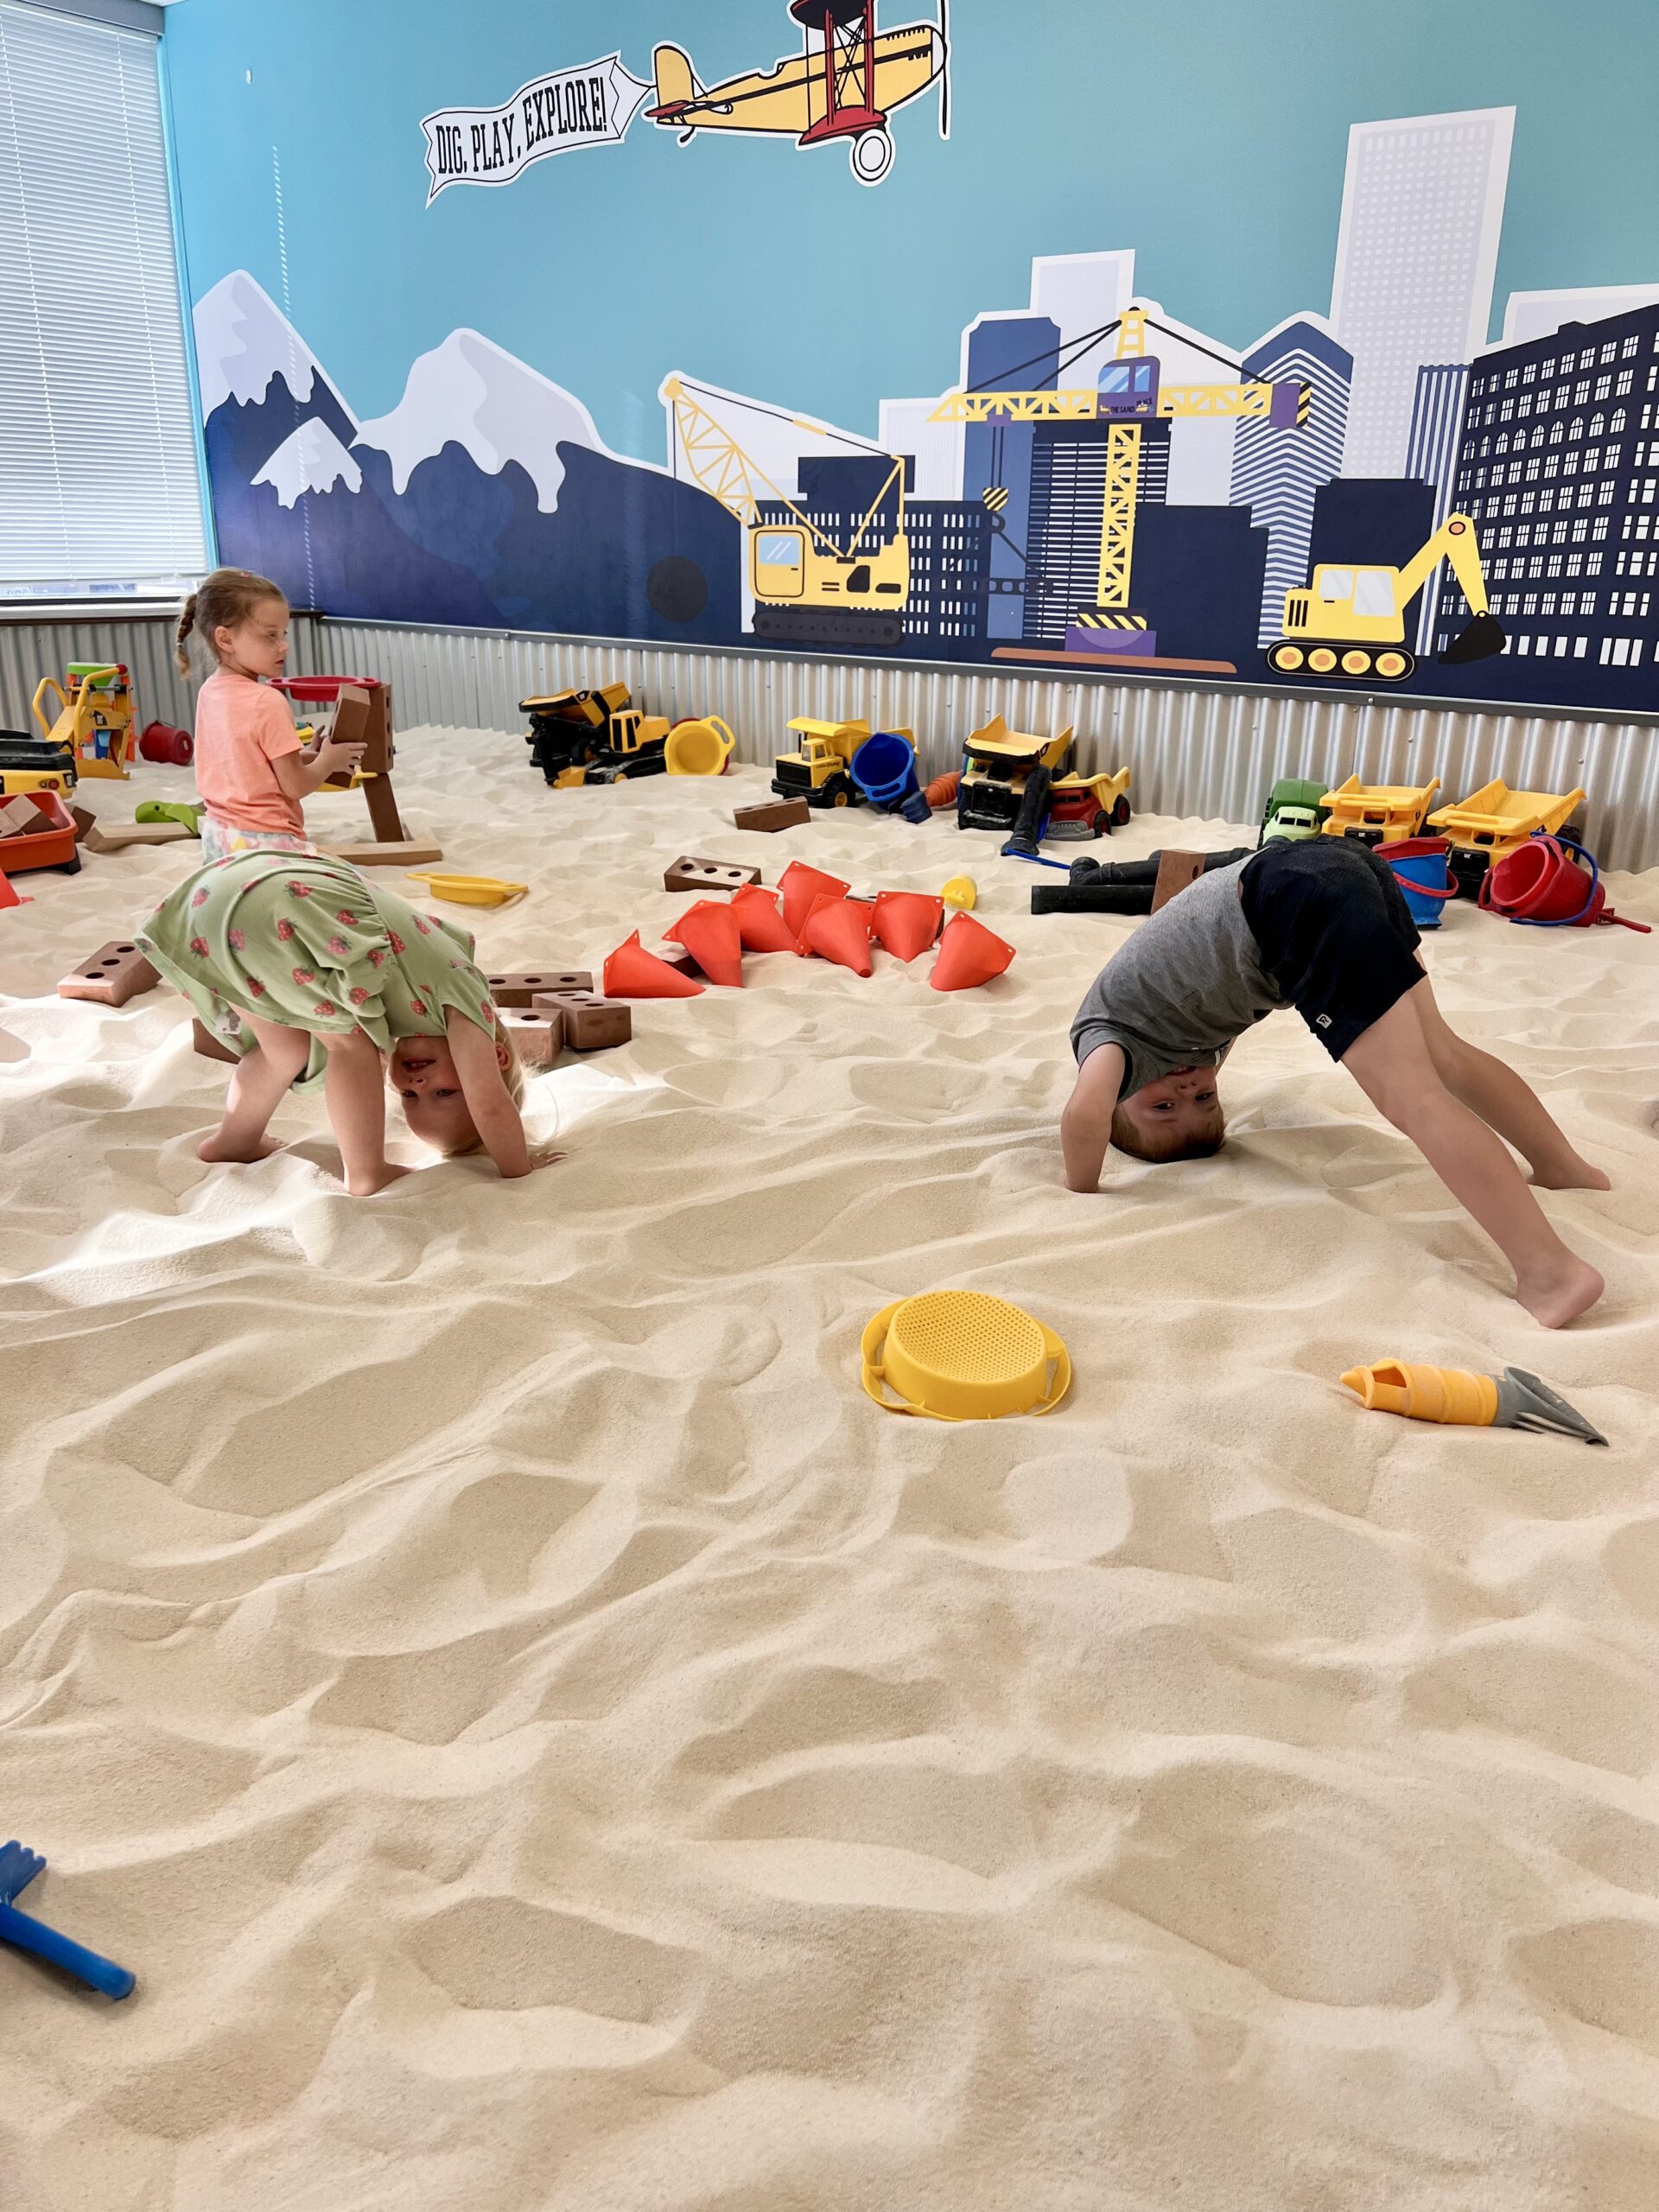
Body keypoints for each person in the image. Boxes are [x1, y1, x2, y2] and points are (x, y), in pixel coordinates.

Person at [1060, 837, 1608, 1328]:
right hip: (1336, 866)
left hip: (1288, 900)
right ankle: (1565, 1168)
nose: (1185, 1089)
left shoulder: (1111, 1043)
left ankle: (1551, 1273)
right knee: (1443, 1054)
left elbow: (1086, 1115)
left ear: (1118, 1099)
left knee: (1412, 1097)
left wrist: (1081, 1189)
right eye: (1205, 1098)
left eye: (1162, 1107)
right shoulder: (1177, 1041)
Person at [137, 849, 549, 1195]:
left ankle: (233, 1141)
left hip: (222, 895)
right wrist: (519, 1168)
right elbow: (489, 1103)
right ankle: (367, 1171)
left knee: (284, 1050)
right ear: (497, 1057)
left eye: (409, 1099)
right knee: (350, 1044)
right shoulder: (464, 995)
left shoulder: (402, 1003)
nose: (418, 1086)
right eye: (444, 1093)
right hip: (285, 908)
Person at [174, 568, 366, 864]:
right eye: (270, 636)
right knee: (356, 888)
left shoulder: (210, 692)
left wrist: (306, 756)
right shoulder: (267, 701)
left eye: (283, 634)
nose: (284, 645)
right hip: (268, 845)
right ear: (225, 639)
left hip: (219, 840)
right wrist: (330, 761)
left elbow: (246, 764)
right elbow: (295, 787)